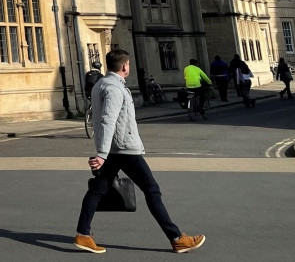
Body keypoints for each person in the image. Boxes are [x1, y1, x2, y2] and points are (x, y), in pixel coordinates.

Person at [74, 48, 206, 254]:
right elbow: (107, 120)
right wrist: (101, 154)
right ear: (125, 66)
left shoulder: (101, 83)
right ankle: (177, 238)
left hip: (112, 149)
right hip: (123, 149)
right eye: (128, 64)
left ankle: (83, 234)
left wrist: (103, 151)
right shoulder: (115, 89)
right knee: (152, 190)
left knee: (97, 190)